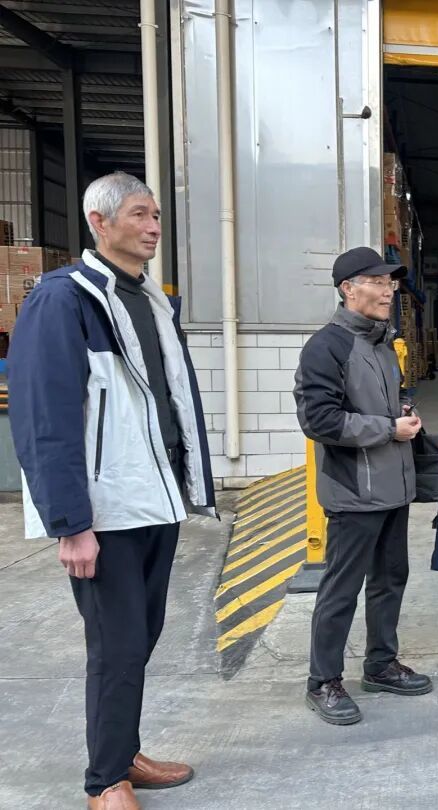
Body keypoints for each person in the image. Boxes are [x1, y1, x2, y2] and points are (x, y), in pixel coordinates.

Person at [8, 172, 217, 810]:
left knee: (141, 636)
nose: (153, 227)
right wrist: (70, 522)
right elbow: (45, 418)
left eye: (156, 216)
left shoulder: (151, 301)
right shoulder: (64, 299)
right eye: (139, 215)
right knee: (117, 643)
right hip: (105, 509)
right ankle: (105, 781)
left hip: (155, 498)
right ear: (99, 223)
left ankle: (122, 752)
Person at [294, 246, 432, 726]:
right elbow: (319, 420)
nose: (388, 291)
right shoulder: (326, 347)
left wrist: (405, 414)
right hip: (354, 492)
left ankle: (381, 665)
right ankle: (323, 681)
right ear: (348, 289)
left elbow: (390, 402)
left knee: (391, 579)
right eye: (377, 282)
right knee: (342, 587)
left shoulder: (383, 345)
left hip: (394, 487)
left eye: (390, 283)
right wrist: (388, 428)